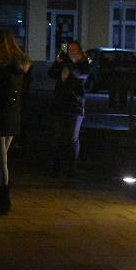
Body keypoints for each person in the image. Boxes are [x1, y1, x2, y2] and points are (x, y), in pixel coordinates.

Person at [0, 31, 31, 215]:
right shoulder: (19, 66)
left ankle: (3, 200)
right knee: (2, 158)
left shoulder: (0, 68)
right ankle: (3, 198)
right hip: (12, 115)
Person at [48, 40, 89, 178]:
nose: (71, 52)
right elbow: (52, 74)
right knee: (57, 138)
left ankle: (72, 169)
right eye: (69, 49)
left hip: (75, 105)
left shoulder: (83, 63)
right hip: (59, 104)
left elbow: (81, 75)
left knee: (72, 138)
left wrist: (68, 62)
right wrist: (57, 62)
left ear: (79, 51)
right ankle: (56, 167)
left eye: (74, 49)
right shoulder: (64, 62)